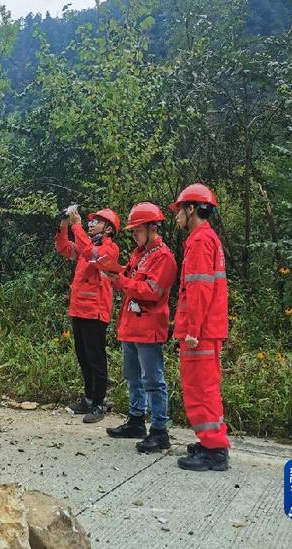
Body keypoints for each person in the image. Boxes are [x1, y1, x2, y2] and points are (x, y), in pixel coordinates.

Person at [105, 203, 177, 453]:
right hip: (131, 325)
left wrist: (122, 282)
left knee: (153, 380)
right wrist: (114, 276)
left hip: (149, 327)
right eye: (133, 231)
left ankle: (159, 430)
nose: (134, 235)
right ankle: (136, 420)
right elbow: (129, 280)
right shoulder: (139, 254)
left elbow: (152, 292)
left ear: (152, 228)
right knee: (133, 376)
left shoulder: (163, 257)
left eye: (137, 230)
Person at [169, 183, 230, 471]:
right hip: (207, 328)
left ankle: (214, 450)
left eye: (179, 210)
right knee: (205, 387)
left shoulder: (200, 241)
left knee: (200, 388)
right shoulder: (206, 238)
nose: (177, 216)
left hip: (201, 331)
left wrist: (193, 329)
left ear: (191, 209)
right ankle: (210, 442)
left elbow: (199, 289)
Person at [55, 207, 120, 423]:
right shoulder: (87, 246)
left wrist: (77, 226)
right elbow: (64, 248)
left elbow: (91, 253)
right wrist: (64, 225)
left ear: (108, 229)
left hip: (95, 311)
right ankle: (89, 398)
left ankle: (99, 403)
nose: (91, 224)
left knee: (95, 358)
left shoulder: (109, 249)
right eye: (91, 221)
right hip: (79, 309)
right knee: (83, 356)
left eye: (97, 222)